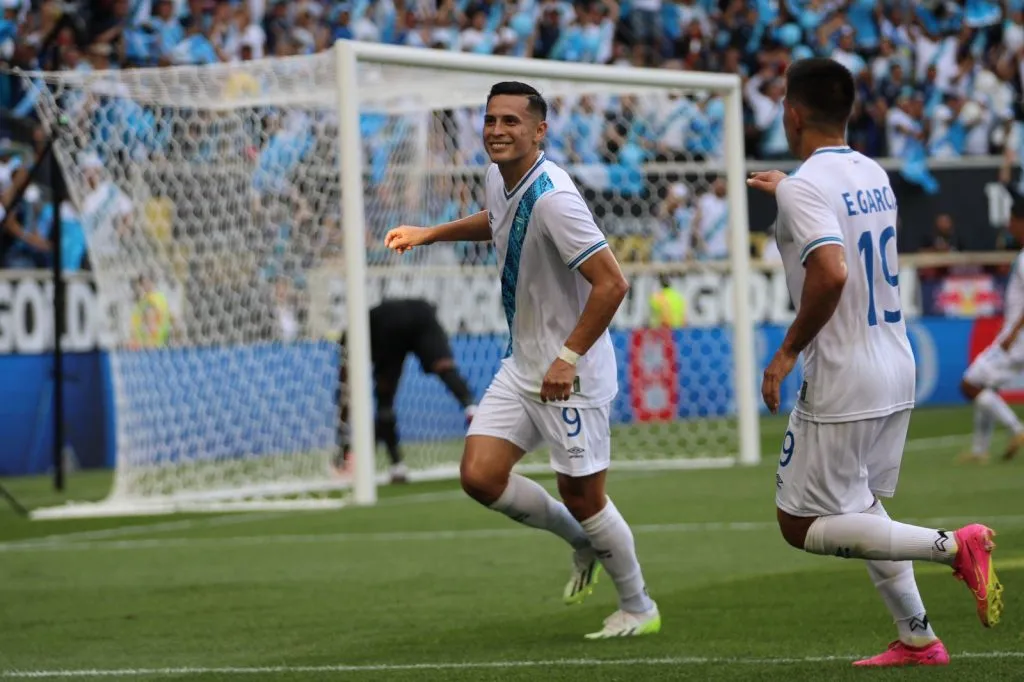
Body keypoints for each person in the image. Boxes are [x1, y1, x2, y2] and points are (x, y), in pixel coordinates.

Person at [747, 58, 1003, 667]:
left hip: (843, 372)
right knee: (859, 506)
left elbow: (832, 269)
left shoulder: (805, 186)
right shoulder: (873, 172)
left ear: (792, 112)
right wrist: (790, 187)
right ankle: (918, 637)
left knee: (799, 523)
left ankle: (954, 546)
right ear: (851, 110)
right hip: (895, 359)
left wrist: (786, 353)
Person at [383, 81, 660, 639]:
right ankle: (581, 541)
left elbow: (612, 284)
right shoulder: (500, 175)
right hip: (523, 363)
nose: (497, 131)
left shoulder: (556, 197)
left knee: (584, 496)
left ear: (540, 131)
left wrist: (567, 357)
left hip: (570, 375)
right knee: (480, 476)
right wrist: (431, 233)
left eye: (511, 122)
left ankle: (639, 606)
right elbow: (497, 220)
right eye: (490, 120)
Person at [336, 298, 477, 484]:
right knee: (444, 367)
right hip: (421, 313)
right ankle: (471, 407)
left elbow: (345, 392)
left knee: (385, 400)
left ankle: (397, 466)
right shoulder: (363, 327)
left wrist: (343, 443)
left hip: (387, 325)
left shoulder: (351, 340)